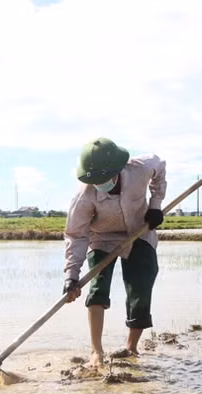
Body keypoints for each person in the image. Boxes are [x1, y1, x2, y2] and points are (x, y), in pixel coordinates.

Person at [62, 137, 167, 367]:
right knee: (98, 288)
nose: (100, 184)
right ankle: (96, 351)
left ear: (117, 170)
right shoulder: (84, 196)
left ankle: (131, 347)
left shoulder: (140, 169)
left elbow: (159, 165)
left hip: (139, 230)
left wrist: (155, 205)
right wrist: (71, 276)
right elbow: (76, 235)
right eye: (95, 181)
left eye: (103, 180)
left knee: (141, 285)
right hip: (102, 237)